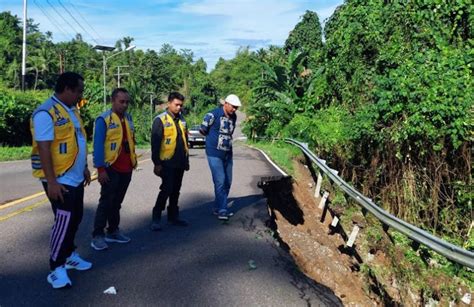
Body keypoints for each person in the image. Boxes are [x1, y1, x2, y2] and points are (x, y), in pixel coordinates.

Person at [30, 72, 92, 289]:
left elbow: (78, 140)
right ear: (67, 89)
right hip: (60, 179)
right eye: (79, 91)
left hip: (75, 177)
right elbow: (44, 149)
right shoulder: (46, 112)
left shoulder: (71, 110)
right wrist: (52, 182)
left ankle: (69, 255)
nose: (80, 95)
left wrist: (84, 167)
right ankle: (55, 267)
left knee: (76, 218)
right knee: (63, 222)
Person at [91, 88, 137, 251]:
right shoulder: (104, 119)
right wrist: (100, 169)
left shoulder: (129, 118)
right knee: (106, 201)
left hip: (127, 167)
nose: (124, 105)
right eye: (121, 101)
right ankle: (98, 235)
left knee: (117, 202)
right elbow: (97, 146)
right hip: (110, 167)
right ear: (113, 101)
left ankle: (113, 230)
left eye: (127, 102)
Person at [150, 92, 190, 231]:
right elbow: (155, 143)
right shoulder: (160, 120)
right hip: (166, 162)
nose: (179, 107)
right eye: (176, 104)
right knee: (167, 188)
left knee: (176, 190)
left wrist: (186, 160)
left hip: (179, 162)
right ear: (169, 104)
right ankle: (156, 216)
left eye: (181, 105)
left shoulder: (182, 120)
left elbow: (185, 141)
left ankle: (173, 216)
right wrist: (157, 163)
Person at [199, 94, 241, 221]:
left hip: (228, 153)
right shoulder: (212, 115)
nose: (234, 109)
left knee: (228, 181)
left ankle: (217, 207)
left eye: (236, 107)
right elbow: (203, 130)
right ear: (226, 104)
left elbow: (230, 133)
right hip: (214, 153)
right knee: (220, 180)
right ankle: (223, 209)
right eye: (233, 107)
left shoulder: (234, 117)